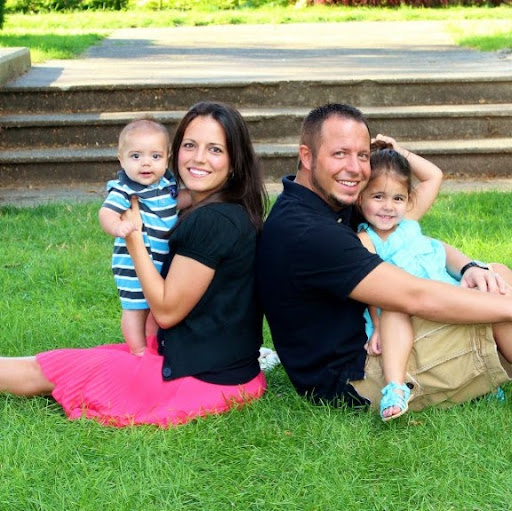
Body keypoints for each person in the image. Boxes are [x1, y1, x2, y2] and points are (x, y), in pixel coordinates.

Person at [0, 101, 268, 428]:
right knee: (92, 356)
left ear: (235, 160)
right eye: (189, 145)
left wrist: (134, 239)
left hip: (197, 381)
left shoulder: (212, 221)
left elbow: (167, 311)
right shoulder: (225, 208)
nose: (198, 158)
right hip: (227, 370)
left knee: (50, 369)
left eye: (215, 149)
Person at [257, 102, 512, 418]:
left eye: (363, 155)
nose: (355, 168)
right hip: (360, 374)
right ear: (307, 157)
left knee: (496, 276)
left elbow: (416, 238)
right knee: (499, 312)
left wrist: (470, 267)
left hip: (379, 339)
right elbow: (416, 295)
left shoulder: (330, 203)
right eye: (340, 154)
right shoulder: (308, 231)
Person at [357, 136, 511, 420]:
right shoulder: (366, 239)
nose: (388, 206)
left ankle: (481, 378)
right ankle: (395, 387)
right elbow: (370, 288)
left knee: (497, 273)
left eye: (398, 198)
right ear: (360, 197)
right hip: (407, 310)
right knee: (393, 307)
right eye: (378, 196)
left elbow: (433, 175)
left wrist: (397, 152)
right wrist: (376, 326)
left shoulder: (407, 220)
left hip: (444, 295)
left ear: (408, 200)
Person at [99, 117, 191, 356]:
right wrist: (118, 227)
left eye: (155, 156)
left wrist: (198, 196)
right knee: (136, 308)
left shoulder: (167, 184)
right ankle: (138, 350)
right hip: (132, 265)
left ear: (167, 157)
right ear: (121, 159)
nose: (146, 163)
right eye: (136, 156)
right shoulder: (125, 189)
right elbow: (106, 212)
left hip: (160, 261)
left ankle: (151, 345)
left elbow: (176, 202)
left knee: (155, 307)